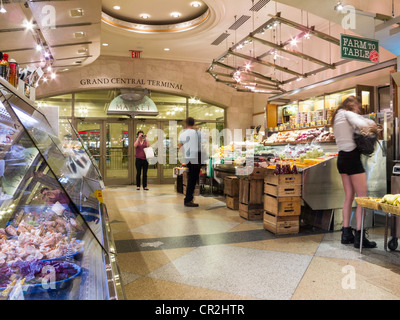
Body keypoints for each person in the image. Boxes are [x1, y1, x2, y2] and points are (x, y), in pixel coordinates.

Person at [332, 96, 378, 249]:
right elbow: (364, 123)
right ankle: (359, 237)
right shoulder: (347, 114)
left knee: (348, 197)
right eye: (358, 107)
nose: (359, 109)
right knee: (362, 198)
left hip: (342, 158)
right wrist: (373, 124)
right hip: (352, 157)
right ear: (352, 105)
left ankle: (346, 234)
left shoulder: (337, 117)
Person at [178, 117, 203, 207]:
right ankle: (188, 199)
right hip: (196, 158)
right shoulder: (198, 133)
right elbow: (202, 144)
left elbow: (180, 148)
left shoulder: (182, 134)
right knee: (193, 179)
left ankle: (189, 198)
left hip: (188, 158)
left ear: (186, 124)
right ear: (194, 123)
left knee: (191, 178)